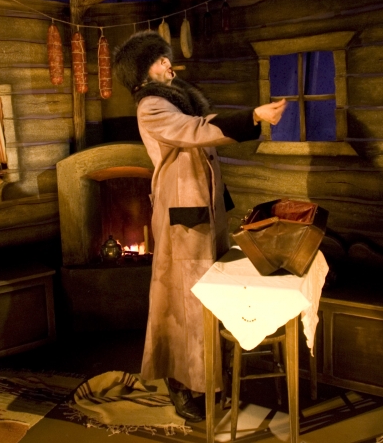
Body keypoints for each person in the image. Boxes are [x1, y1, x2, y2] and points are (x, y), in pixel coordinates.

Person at [113, 31, 287, 422]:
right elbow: (193, 131)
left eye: (166, 57)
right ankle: (180, 381)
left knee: (208, 296)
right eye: (159, 59)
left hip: (203, 212)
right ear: (142, 71)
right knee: (183, 300)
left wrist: (253, 118)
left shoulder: (174, 101)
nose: (167, 63)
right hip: (183, 215)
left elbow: (200, 125)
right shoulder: (151, 106)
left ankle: (209, 375)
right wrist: (253, 117)